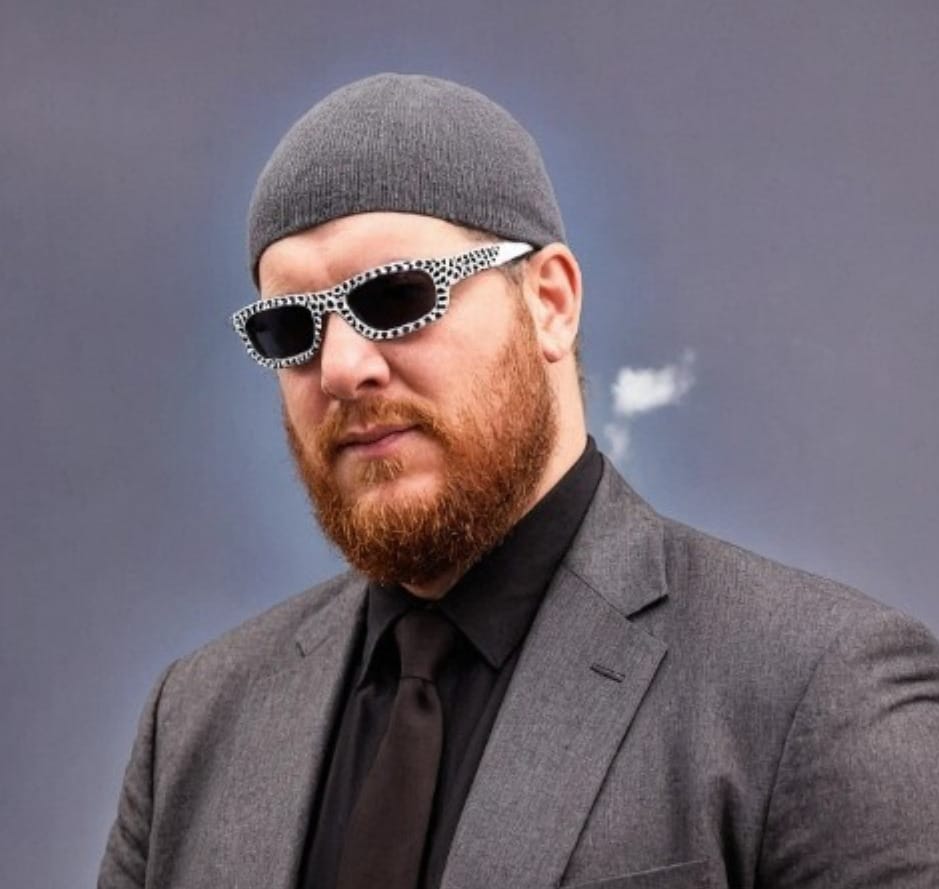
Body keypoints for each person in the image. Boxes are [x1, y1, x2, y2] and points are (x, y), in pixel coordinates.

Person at [98, 73, 939, 889]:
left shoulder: (812, 690)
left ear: (549, 303)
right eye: (291, 328)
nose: (343, 367)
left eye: (396, 296)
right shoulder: (197, 721)